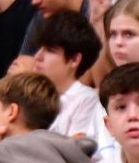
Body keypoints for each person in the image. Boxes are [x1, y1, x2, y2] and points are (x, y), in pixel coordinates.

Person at [32, 10, 106, 141]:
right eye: (40, 48)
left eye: (50, 50)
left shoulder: (86, 100)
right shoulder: (24, 95)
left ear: (74, 60)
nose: (38, 57)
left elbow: (75, 153)